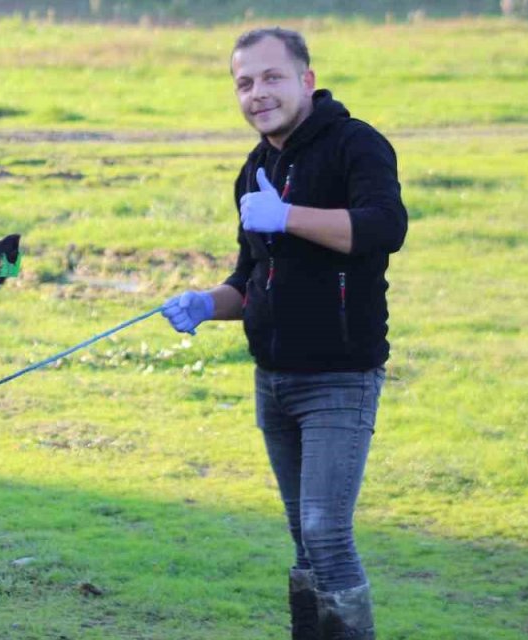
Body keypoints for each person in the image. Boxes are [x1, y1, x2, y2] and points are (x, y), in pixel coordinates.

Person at [162, 27, 407, 640]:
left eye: (271, 77)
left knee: (327, 532)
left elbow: (383, 228)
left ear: (307, 80)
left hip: (339, 378)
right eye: (244, 83)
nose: (257, 93)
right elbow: (249, 280)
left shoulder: (357, 145)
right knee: (304, 537)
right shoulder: (255, 169)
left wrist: (288, 217)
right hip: (274, 383)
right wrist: (204, 304)